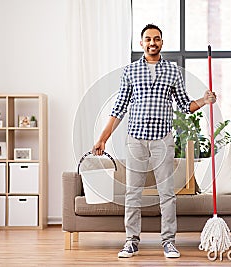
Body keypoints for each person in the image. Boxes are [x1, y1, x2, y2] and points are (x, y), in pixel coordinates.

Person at [92, 24, 216, 258]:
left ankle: (168, 242)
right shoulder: (130, 72)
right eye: (148, 39)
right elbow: (118, 109)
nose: (152, 43)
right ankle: (131, 241)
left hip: (162, 140)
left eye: (156, 39)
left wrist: (204, 100)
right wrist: (102, 139)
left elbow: (184, 105)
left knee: (167, 193)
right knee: (133, 193)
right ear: (141, 43)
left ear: (162, 42)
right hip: (136, 140)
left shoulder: (172, 71)